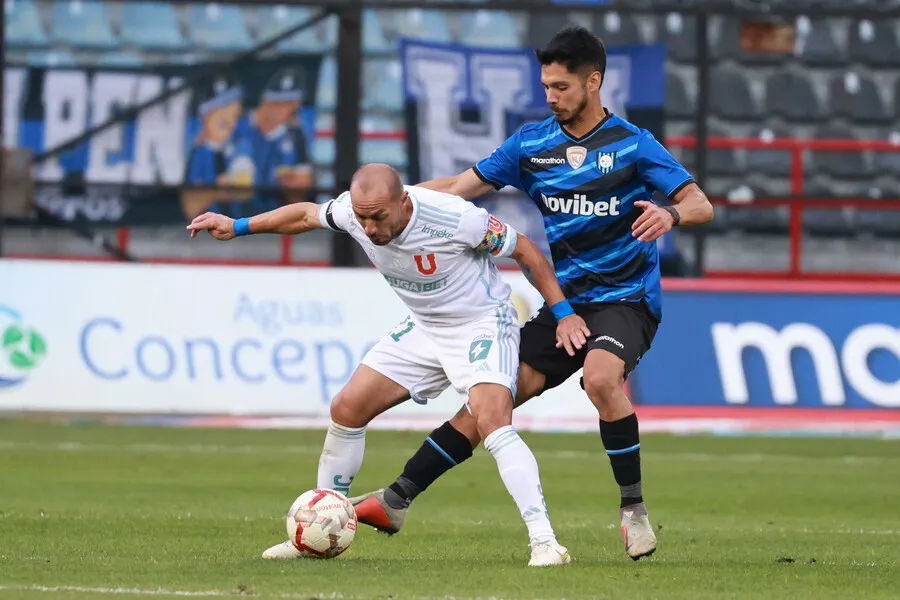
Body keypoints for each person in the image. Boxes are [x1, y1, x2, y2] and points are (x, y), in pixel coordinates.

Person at [349, 26, 714, 561]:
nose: (551, 96)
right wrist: (394, 200)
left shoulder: (634, 145)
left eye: (562, 86)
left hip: (626, 300)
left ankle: (632, 510)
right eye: (546, 86)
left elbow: (701, 202)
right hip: (565, 304)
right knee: (491, 400)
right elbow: (459, 188)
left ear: (594, 82)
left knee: (601, 378)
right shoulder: (532, 144)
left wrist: (672, 212)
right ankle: (398, 498)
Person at [187, 163, 592, 567]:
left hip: (480, 323)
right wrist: (237, 226)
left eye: (379, 217)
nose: (370, 227)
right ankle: (321, 527)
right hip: (425, 327)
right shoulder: (354, 212)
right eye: (362, 218)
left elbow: (526, 250)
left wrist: (564, 312)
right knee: (347, 407)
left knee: (491, 421)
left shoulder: (456, 218)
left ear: (403, 201)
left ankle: (545, 543)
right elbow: (306, 214)